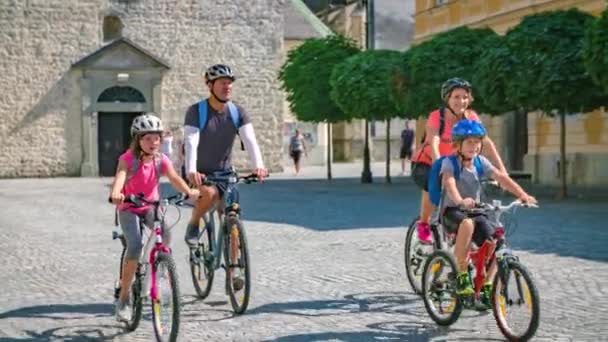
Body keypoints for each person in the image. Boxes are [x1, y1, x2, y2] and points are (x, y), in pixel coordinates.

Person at [108, 113, 200, 322]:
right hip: (129, 207)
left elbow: (175, 178)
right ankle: (123, 299)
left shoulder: (161, 160)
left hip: (151, 206)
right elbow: (120, 176)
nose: (152, 142)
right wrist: (116, 192)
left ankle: (155, 268)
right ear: (138, 140)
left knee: (166, 237)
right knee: (135, 245)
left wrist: (189, 191)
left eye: (156, 138)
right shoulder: (128, 159)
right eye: (147, 138)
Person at [439, 119, 536, 308]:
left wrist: (522, 195)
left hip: (475, 211)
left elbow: (501, 177)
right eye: (469, 142)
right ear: (458, 145)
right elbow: (449, 183)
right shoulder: (449, 163)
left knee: (497, 242)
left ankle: (486, 285)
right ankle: (460, 274)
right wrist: (460, 201)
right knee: (467, 223)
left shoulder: (480, 162)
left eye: (477, 142)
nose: (474, 146)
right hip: (453, 212)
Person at [410, 78, 507, 244]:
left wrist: (502, 170)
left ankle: (458, 232)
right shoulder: (436, 117)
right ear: (447, 98)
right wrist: (438, 165)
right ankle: (424, 224)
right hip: (426, 163)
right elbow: (434, 141)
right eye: (456, 97)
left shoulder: (472, 117)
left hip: (457, 164)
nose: (461, 101)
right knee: (430, 182)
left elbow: (486, 142)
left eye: (464, 97)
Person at [183, 64, 267, 246]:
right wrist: (191, 170)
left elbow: (250, 139)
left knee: (232, 218)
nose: (227, 86)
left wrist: (258, 165)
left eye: (229, 83)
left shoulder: (237, 112)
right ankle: (194, 222)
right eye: (222, 83)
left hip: (226, 173)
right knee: (209, 193)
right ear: (210, 85)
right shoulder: (196, 111)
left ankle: (234, 271)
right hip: (200, 173)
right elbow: (191, 141)